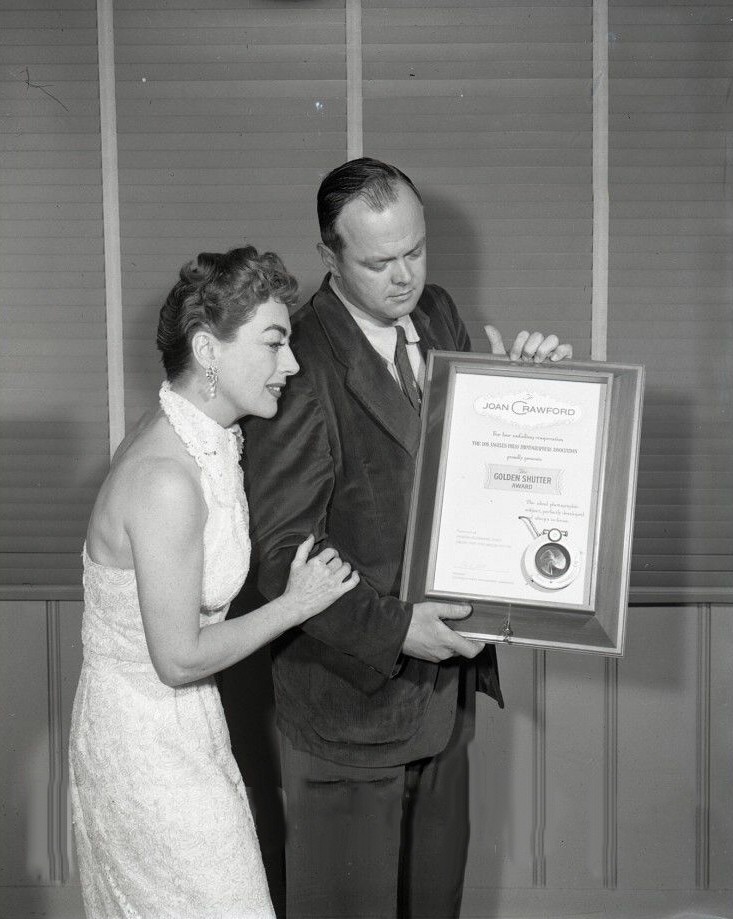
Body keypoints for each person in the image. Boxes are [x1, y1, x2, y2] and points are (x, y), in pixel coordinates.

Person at [241, 158, 573, 919]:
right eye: (379, 261)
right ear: (328, 256)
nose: (405, 277)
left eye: (416, 251)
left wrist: (523, 390)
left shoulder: (438, 314)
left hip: (445, 692)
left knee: (433, 904)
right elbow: (281, 552)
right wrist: (398, 630)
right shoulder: (299, 363)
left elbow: (467, 471)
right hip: (350, 705)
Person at [68, 246, 359, 919]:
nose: (290, 363)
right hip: (142, 745)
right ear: (207, 349)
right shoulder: (165, 477)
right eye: (273, 342)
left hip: (185, 727)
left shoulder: (201, 433)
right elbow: (177, 658)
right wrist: (296, 604)